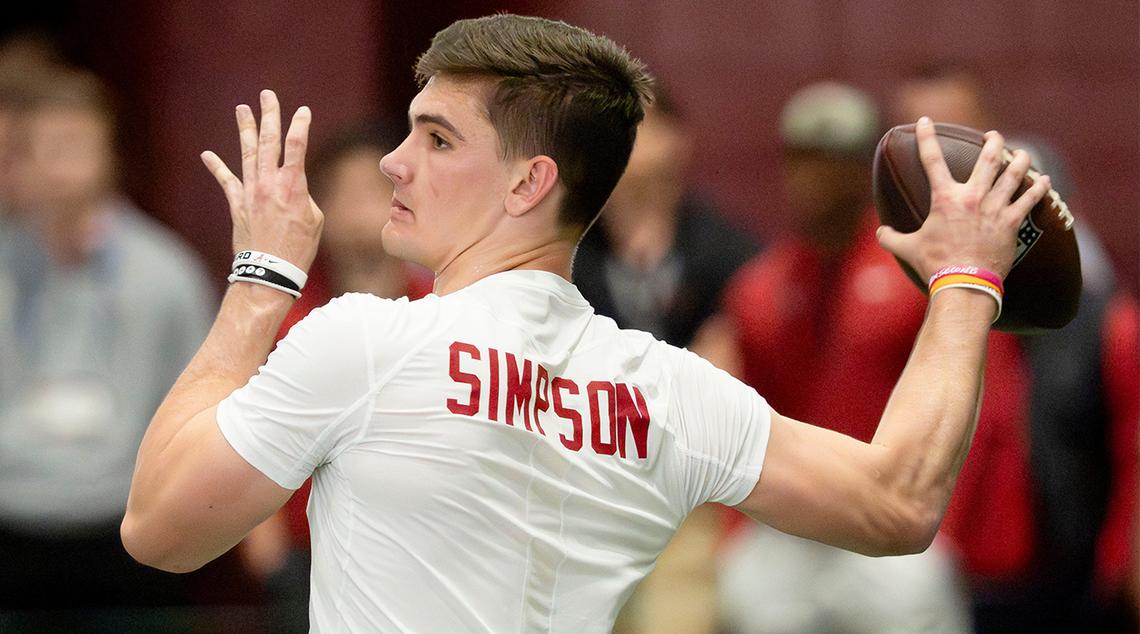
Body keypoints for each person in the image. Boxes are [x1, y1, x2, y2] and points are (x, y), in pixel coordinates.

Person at [120, 14, 1051, 632]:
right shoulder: (671, 393)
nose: (395, 164)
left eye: (437, 138)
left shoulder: (364, 341)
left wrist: (261, 276)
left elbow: (161, 529)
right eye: (410, 130)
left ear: (531, 184)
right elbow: (898, 503)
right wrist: (967, 281)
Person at [713, 81, 1015, 633]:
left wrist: (954, 534)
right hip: (792, 525)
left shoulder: (917, 270)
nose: (815, 180)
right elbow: (740, 419)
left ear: (862, 168)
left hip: (897, 520)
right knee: (744, 594)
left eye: (834, 161)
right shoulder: (758, 289)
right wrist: (739, 533)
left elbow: (981, 399)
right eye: (802, 160)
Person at [894, 62, 1123, 631]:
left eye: (946, 127)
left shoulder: (1093, 311)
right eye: (917, 129)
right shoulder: (919, 268)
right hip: (959, 557)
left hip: (1060, 559)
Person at [0, 65, 214, 622]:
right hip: (11, 529)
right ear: (19, 161)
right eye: (45, 148)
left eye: (76, 145)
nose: (62, 167)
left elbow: (202, 412)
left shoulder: (166, 274)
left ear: (110, 156)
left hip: (124, 536)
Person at [570, 86, 759, 634]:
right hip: (587, 483)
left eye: (639, 124)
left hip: (688, 489)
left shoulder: (725, 251)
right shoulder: (568, 252)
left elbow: (725, 381)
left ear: (679, 141)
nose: (623, 143)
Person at [237, 120, 433, 632]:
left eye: (378, 191)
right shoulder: (280, 315)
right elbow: (243, 429)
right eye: (346, 195)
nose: (363, 210)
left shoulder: (443, 308)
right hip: (309, 548)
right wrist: (266, 546)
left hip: (419, 548)